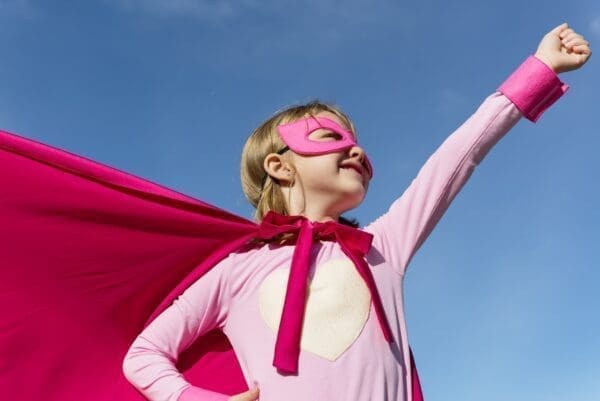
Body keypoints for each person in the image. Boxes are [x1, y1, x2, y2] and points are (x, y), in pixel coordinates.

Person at [121, 22, 591, 401]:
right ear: (280, 167)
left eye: (357, 141)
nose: (356, 150)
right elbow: (144, 354)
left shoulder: (382, 247)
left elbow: (460, 155)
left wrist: (539, 70)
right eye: (332, 138)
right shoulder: (234, 272)